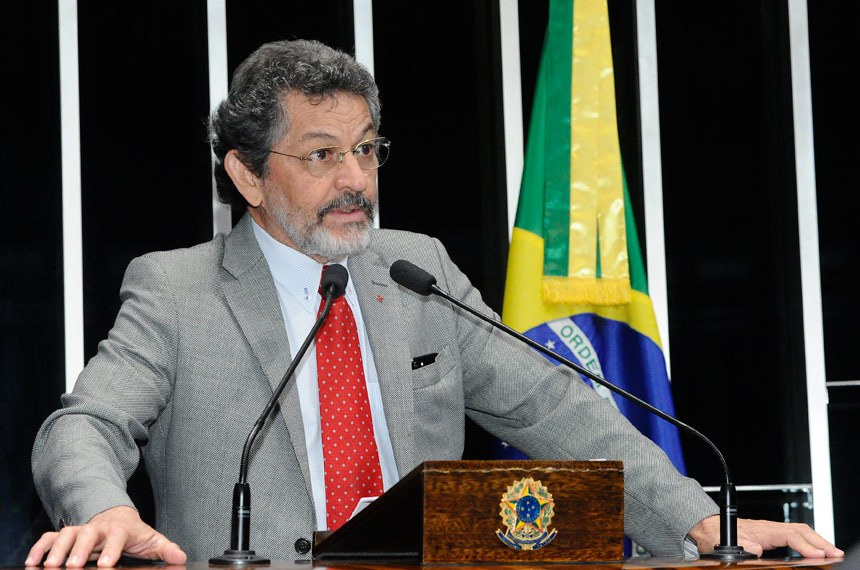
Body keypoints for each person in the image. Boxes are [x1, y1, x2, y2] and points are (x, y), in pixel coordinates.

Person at [26, 38, 843, 567]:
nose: (357, 180)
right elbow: (85, 424)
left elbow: (554, 405)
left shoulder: (417, 268)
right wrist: (104, 511)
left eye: (367, 150)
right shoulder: (176, 290)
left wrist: (703, 523)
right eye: (322, 155)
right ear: (246, 175)